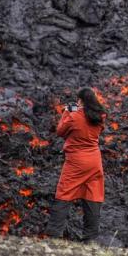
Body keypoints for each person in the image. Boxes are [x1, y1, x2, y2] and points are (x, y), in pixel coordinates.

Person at [45, 88, 107, 242]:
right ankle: (90, 238)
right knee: (93, 195)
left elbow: (60, 131)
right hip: (94, 161)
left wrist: (67, 111)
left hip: (76, 162)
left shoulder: (74, 116)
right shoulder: (100, 116)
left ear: (80, 101)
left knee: (64, 193)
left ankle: (54, 233)